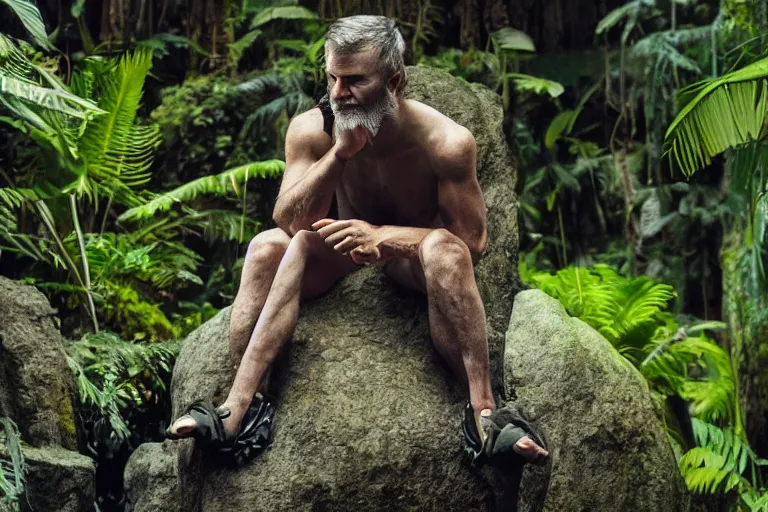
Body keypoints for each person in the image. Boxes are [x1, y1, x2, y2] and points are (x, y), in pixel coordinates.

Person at [165, 14, 549, 469]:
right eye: (332, 77)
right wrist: (339, 154)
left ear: (395, 81)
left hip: (413, 257)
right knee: (270, 245)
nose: (338, 93)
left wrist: (386, 238)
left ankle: (486, 415)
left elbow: (473, 242)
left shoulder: (445, 142)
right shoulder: (312, 129)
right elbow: (289, 220)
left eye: (354, 81)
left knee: (447, 251)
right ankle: (238, 408)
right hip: (344, 248)